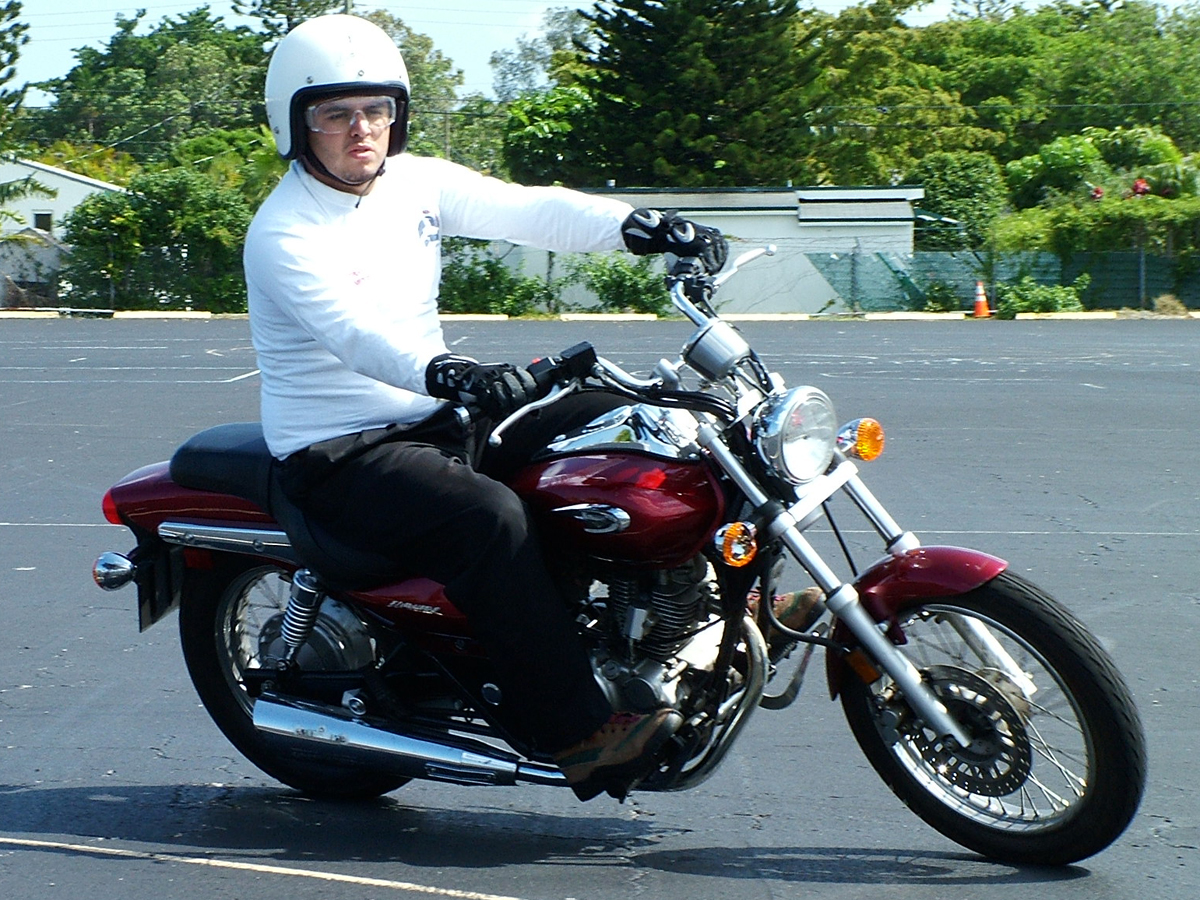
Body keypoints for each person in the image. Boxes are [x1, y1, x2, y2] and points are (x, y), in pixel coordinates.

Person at [245, 14, 729, 800]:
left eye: (375, 110)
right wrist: (447, 371)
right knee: (490, 520)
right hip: (343, 450)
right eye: (335, 114)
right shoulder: (283, 231)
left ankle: (714, 603)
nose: (361, 129)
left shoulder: (413, 184)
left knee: (634, 424)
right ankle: (580, 734)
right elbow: (352, 333)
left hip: (438, 416)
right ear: (296, 124)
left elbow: (529, 209)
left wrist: (643, 228)